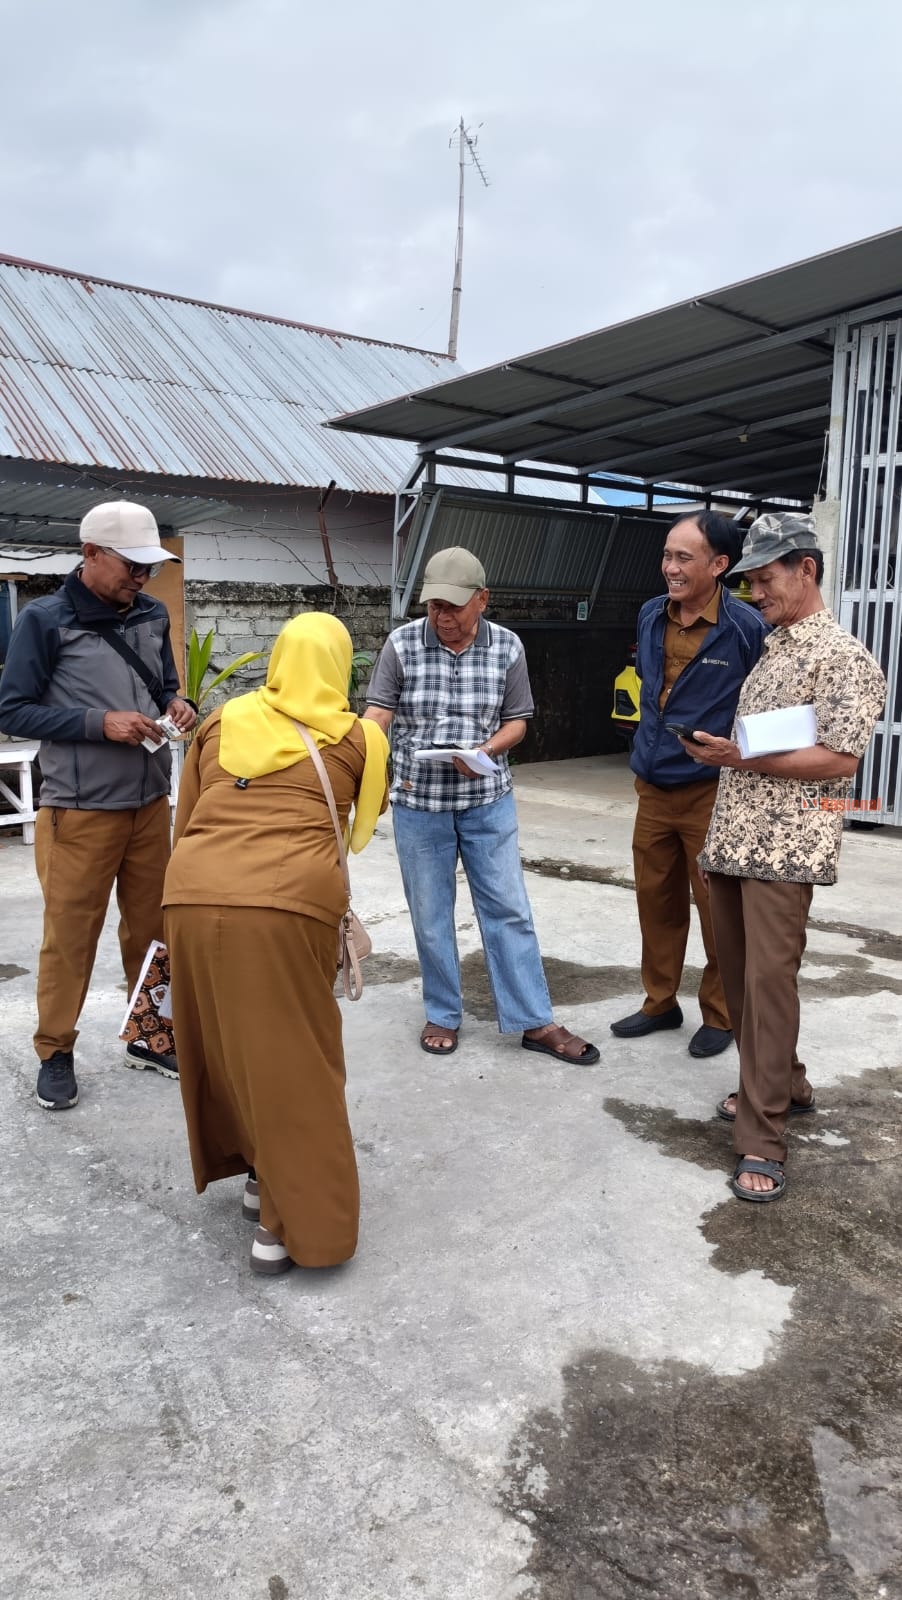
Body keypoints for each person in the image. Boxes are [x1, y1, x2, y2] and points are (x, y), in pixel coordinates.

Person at [162, 612, 389, 1275]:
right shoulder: (360, 737)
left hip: (190, 895)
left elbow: (187, 817)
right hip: (285, 905)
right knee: (297, 1064)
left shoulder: (219, 722)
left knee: (231, 1047)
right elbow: (360, 830)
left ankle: (261, 1173)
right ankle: (290, 1229)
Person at [689, 512, 885, 1202]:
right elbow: (755, 751)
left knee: (768, 987)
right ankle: (784, 1083)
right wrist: (717, 828)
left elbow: (840, 759)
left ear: (806, 569)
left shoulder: (844, 658)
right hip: (737, 841)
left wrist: (739, 756)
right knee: (743, 984)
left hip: (788, 848)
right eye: (749, 582)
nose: (756, 593)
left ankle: (763, 1138)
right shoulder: (774, 648)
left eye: (767, 579)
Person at [364, 546, 599, 1064]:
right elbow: (378, 715)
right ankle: (442, 1013)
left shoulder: (507, 647)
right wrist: (359, 757)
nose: (442, 617)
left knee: (508, 909)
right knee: (430, 916)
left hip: (486, 802)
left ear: (482, 599)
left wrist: (486, 751)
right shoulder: (402, 644)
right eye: (434, 606)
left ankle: (534, 1020)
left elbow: (518, 720)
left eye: (453, 606)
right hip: (419, 802)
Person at [0, 501, 196, 1110]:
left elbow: (164, 684)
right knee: (70, 937)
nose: (142, 578)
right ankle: (55, 1050)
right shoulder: (46, 620)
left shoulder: (152, 613)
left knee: (155, 930)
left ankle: (150, 1034)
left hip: (149, 804)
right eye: (131, 566)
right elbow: (12, 710)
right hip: (79, 811)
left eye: (149, 568)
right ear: (90, 553)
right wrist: (97, 722)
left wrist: (179, 703)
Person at [610, 511, 769, 1057]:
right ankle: (660, 1002)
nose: (670, 568)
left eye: (684, 557)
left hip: (712, 792)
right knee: (656, 901)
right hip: (653, 788)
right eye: (667, 555)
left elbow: (765, 706)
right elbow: (651, 688)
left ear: (719, 564)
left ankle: (720, 1014)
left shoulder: (746, 628)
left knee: (716, 907)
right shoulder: (650, 613)